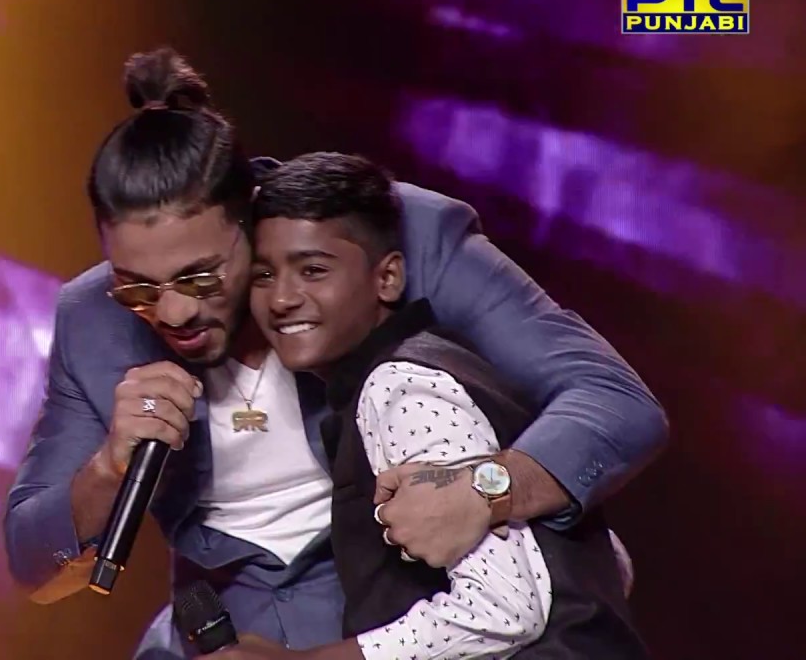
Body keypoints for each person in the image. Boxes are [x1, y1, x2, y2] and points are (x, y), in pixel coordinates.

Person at [2, 48, 666, 654]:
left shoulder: (378, 233)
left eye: (201, 277)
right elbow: (34, 566)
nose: (172, 312)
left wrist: (486, 489)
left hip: (409, 617)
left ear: (253, 217)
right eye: (137, 287)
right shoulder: (93, 319)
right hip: (225, 635)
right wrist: (108, 467)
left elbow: (613, 400)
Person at [213, 152, 648, 659]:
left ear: (388, 278)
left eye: (313, 270)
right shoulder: (436, 364)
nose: (282, 298)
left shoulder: (400, 389)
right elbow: (596, 562)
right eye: (263, 276)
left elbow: (503, 611)